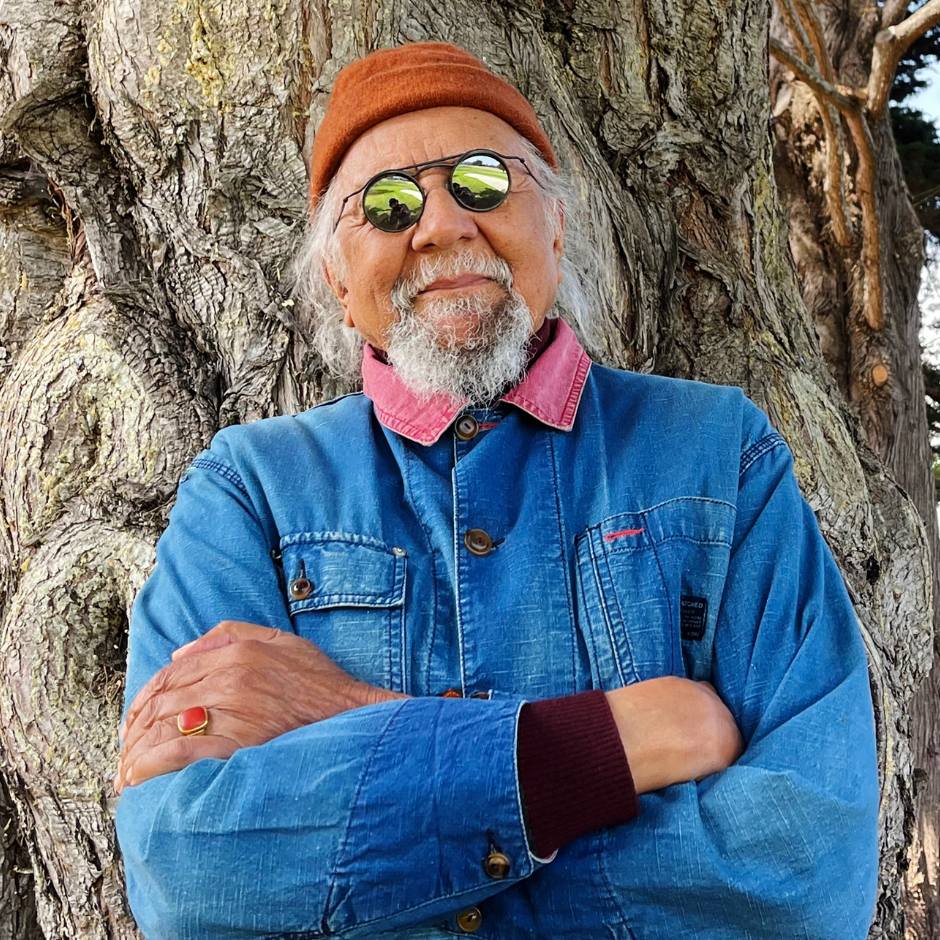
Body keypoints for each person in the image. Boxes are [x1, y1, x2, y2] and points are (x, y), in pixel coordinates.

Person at [114, 40, 880, 939]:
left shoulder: (717, 452)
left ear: (554, 226)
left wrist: (353, 721)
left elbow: (807, 866)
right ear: (335, 276)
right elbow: (190, 873)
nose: (440, 224)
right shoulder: (251, 491)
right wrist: (611, 750)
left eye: (482, 181)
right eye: (388, 202)